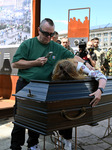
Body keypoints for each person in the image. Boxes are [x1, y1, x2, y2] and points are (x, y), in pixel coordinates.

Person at [10, 18, 99, 150]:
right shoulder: (27, 44)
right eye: (46, 34)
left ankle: (33, 144)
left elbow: (73, 57)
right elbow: (15, 63)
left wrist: (87, 65)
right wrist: (34, 62)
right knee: (21, 117)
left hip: (43, 87)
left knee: (36, 117)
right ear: (38, 30)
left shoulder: (55, 47)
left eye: (51, 34)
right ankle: (15, 146)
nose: (49, 37)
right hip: (26, 85)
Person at [52, 58, 107, 150]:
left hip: (75, 88)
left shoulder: (79, 67)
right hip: (60, 89)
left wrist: (100, 90)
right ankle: (61, 136)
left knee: (71, 113)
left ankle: (68, 139)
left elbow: (101, 76)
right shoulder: (56, 69)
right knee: (60, 112)